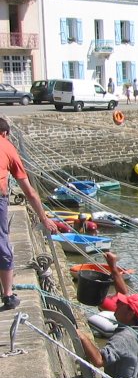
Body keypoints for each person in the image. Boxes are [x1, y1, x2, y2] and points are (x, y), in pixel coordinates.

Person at [0, 118, 58, 310]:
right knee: (3, 246)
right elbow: (29, 192)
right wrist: (44, 218)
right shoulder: (8, 147)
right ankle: (8, 295)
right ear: (5, 133)